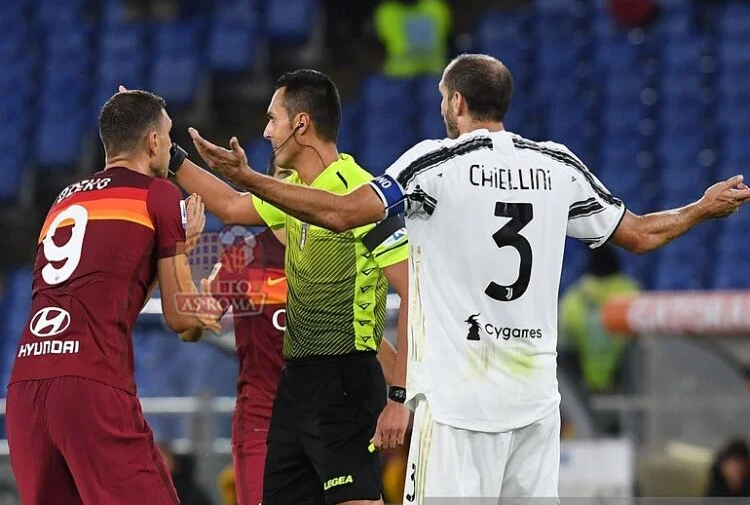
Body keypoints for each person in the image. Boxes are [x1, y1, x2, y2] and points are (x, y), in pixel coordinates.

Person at [189, 53, 750, 500]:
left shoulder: (434, 165)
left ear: (456, 102)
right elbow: (641, 234)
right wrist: (701, 207)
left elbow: (344, 212)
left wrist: (251, 181)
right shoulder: (556, 165)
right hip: (534, 404)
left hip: (458, 407)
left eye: (441, 98)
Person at [170, 69, 410, 505]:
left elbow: (408, 299)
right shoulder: (277, 214)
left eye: (272, 118)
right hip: (288, 393)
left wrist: (402, 396)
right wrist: (169, 156)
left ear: (300, 124)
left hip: (344, 381)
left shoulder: (361, 194)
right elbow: (227, 205)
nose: (265, 130)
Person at [5, 89, 221, 505]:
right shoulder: (158, 195)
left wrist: (169, 257)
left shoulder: (62, 201)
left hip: (27, 387)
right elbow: (181, 320)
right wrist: (194, 285)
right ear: (154, 142)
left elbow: (102, 297)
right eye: (168, 135)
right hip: (92, 387)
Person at [559, 245, 641, 395]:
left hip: (581, 393)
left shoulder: (574, 298)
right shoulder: (632, 294)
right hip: (625, 391)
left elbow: (564, 346)